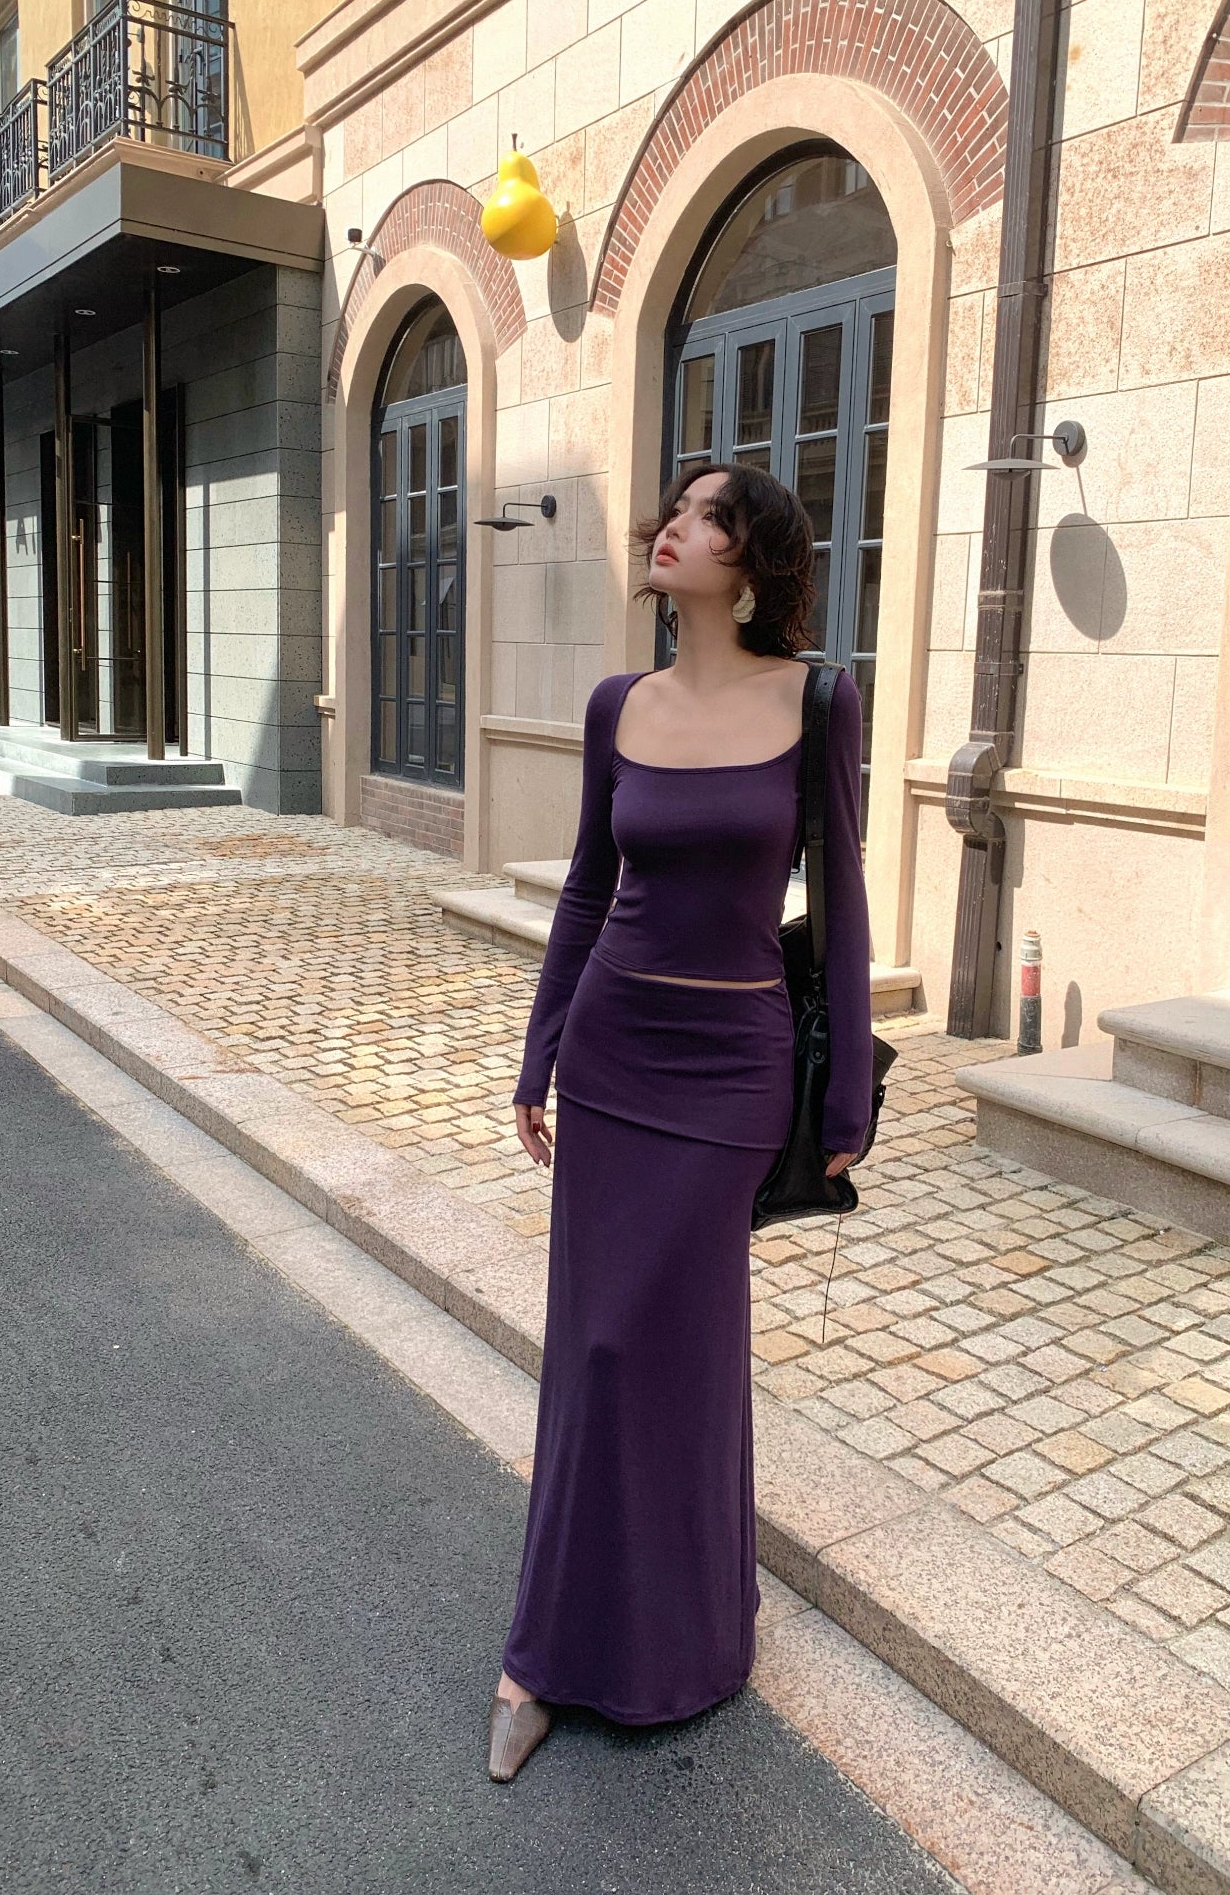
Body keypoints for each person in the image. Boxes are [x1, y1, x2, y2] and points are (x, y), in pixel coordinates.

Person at [488, 462, 873, 1782]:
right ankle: (542, 1655)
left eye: (709, 516)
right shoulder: (620, 707)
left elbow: (844, 900)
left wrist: (846, 1092)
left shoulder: (816, 701)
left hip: (730, 1076)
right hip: (612, 1062)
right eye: (677, 507)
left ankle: (688, 1641)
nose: (675, 527)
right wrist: (540, 1051)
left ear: (753, 562)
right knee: (592, 1352)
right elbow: (587, 891)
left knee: (680, 1355)